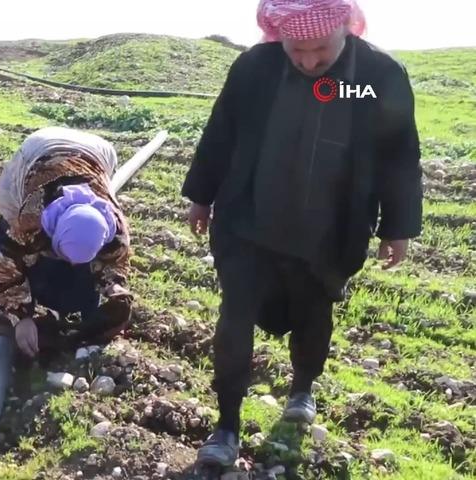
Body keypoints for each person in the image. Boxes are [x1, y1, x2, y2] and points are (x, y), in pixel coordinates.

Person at [181, 0, 423, 467]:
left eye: (321, 51)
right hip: (248, 225)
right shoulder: (256, 68)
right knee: (235, 319)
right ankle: (226, 423)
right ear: (279, 36)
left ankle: (303, 388)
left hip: (327, 234)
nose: (310, 62)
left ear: (344, 29)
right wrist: (201, 195)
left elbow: (399, 155)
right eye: (297, 50)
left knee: (315, 317)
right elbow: (221, 133)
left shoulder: (375, 76)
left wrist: (397, 227)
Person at [0, 127, 133, 358]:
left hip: (97, 151)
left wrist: (114, 286)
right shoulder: (30, 221)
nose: (74, 265)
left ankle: (83, 307)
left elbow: (114, 263)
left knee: (76, 280)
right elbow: (7, 270)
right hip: (38, 150)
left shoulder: (115, 232)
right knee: (7, 227)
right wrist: (21, 318)